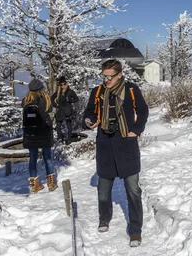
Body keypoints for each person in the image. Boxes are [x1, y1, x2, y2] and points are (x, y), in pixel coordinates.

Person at [84, 59, 149, 248]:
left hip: (126, 145)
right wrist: (90, 120)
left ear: (119, 74)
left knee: (133, 190)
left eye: (109, 76)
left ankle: (135, 229)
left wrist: (136, 130)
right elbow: (89, 112)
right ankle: (104, 218)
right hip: (105, 145)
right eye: (104, 76)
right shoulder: (97, 92)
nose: (106, 80)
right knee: (103, 189)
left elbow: (143, 111)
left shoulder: (130, 90)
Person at [22, 78, 58, 193]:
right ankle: (51, 183)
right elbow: (50, 109)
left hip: (30, 134)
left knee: (32, 158)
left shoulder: (26, 100)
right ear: (41, 88)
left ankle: (34, 185)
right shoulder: (44, 100)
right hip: (44, 133)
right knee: (47, 157)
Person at [51, 76, 79, 144]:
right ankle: (60, 138)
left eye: (64, 84)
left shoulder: (70, 91)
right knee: (58, 126)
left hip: (67, 111)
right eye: (61, 84)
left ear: (66, 84)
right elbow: (51, 98)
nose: (63, 85)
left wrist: (70, 100)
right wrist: (55, 105)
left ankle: (69, 139)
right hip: (60, 111)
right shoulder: (58, 92)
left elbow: (76, 99)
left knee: (68, 125)